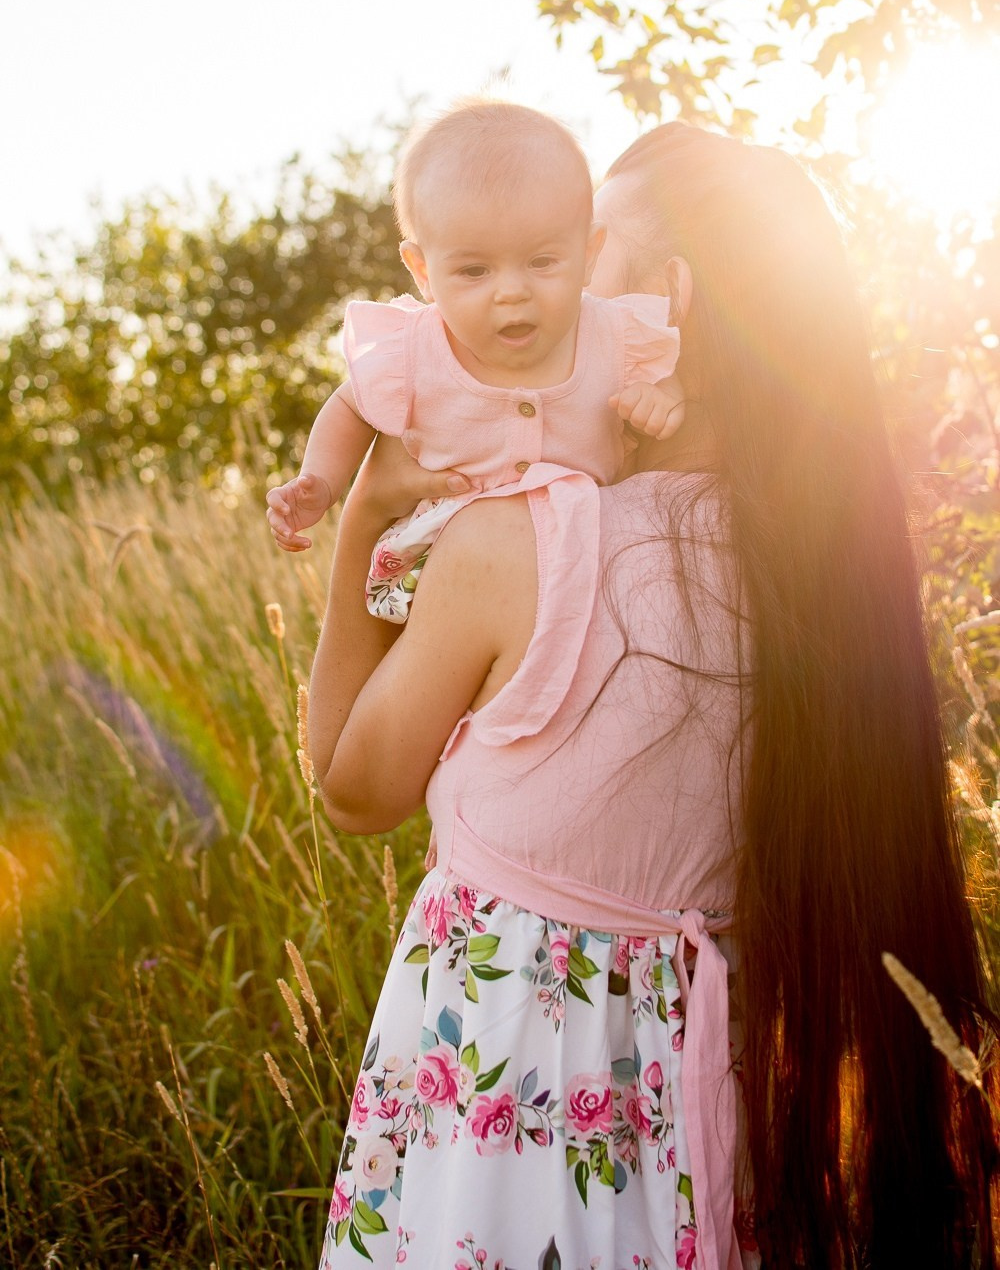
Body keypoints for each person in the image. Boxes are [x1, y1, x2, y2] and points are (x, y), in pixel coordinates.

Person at [307, 122, 999, 1269]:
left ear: (662, 306)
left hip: (508, 1155)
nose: (546, 297)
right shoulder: (832, 586)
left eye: (582, 257)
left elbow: (352, 793)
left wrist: (362, 527)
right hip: (734, 1150)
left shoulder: (515, 544)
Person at [266, 100, 683, 620]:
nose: (511, 292)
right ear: (422, 270)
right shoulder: (414, 349)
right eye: (474, 271)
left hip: (582, 570)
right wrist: (321, 482)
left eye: (542, 261)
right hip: (437, 575)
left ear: (589, 252)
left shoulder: (616, 335)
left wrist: (662, 399)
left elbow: (665, 377)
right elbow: (351, 407)